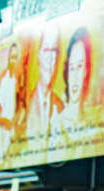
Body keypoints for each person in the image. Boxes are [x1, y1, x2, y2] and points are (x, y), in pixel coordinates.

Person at [27, 26, 64, 155]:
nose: (50, 59)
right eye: (46, 50)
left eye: (54, 51)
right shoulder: (25, 108)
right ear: (38, 55)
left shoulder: (61, 106)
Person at [61, 27, 92, 146]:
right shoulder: (57, 122)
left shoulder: (90, 123)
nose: (74, 77)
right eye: (71, 68)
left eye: (79, 66)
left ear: (85, 71)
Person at [0, 42, 19, 162]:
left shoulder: (19, 78)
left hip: (13, 127)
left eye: (15, 57)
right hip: (2, 126)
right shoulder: (3, 76)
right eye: (11, 57)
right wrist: (0, 119)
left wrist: (12, 124)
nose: (13, 61)